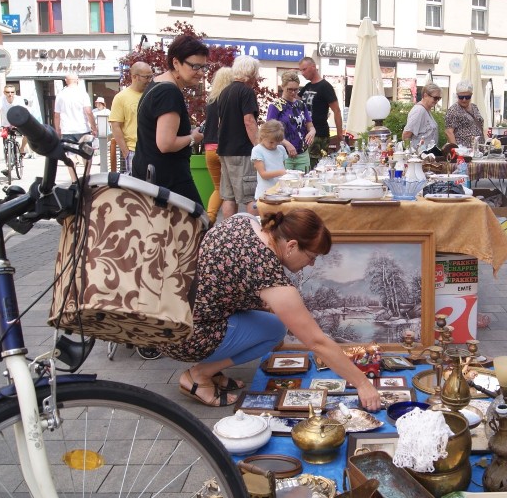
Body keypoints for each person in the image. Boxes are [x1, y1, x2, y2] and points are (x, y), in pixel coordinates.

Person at [162, 209, 382, 411]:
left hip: (170, 315)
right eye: (312, 257)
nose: (312, 264)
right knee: (275, 331)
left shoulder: (245, 220)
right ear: (292, 245)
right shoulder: (266, 270)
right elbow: (317, 342)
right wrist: (362, 384)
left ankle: (210, 368)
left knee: (270, 322)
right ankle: (198, 376)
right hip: (188, 336)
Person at [131, 35, 207, 204]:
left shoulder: (155, 85)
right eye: (195, 66)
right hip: (168, 181)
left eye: (203, 67)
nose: (201, 72)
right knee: (198, 226)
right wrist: (193, 137)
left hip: (152, 177)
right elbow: (165, 143)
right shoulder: (169, 92)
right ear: (176, 63)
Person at [218, 55, 261, 217]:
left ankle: (229, 233)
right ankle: (253, 234)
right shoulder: (246, 92)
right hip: (242, 150)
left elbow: (220, 122)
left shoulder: (224, 92)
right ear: (251, 73)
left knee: (228, 196)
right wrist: (258, 147)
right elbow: (249, 121)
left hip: (224, 149)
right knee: (250, 196)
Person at [266, 70, 315, 173]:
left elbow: (310, 125)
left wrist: (312, 132)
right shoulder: (275, 106)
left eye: (296, 90)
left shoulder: (301, 105)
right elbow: (269, 132)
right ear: (282, 87)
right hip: (284, 154)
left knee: (304, 183)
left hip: (302, 153)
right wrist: (286, 143)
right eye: (290, 89)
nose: (293, 93)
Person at [298, 56, 343, 169]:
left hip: (319, 134)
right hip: (305, 133)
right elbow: (293, 99)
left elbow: (336, 111)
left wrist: (339, 135)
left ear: (313, 67)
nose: (302, 73)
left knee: (314, 166)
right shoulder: (307, 86)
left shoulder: (325, 87)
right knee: (305, 165)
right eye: (301, 70)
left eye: (304, 69)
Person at [202, 66, 233, 222]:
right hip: (225, 149)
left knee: (218, 188)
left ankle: (210, 218)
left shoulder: (211, 101)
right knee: (230, 192)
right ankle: (231, 227)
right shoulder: (229, 99)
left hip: (209, 149)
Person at [109, 61, 153, 172]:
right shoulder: (121, 97)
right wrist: (126, 152)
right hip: (134, 150)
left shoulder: (152, 93)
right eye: (146, 77)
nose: (149, 80)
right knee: (137, 187)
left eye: (151, 77)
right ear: (134, 76)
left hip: (154, 149)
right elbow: (115, 126)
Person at [53, 73, 98, 149]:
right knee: (86, 153)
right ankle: (85, 161)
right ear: (77, 80)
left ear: (66, 81)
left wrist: (57, 129)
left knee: (70, 154)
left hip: (67, 130)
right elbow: (89, 112)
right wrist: (94, 128)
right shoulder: (83, 94)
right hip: (83, 129)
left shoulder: (60, 95)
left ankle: (74, 161)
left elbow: (57, 115)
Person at [0, 84, 30, 168]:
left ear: (15, 92)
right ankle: (8, 164)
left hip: (18, 123)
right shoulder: (0, 100)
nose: (10, 94)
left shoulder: (19, 99)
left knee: (27, 133)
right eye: (8, 92)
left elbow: (23, 111)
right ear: (4, 93)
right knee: (6, 144)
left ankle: (22, 148)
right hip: (6, 125)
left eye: (12, 92)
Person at [251, 120, 288, 200]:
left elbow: (282, 166)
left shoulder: (281, 149)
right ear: (263, 136)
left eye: (277, 142)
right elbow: (263, 174)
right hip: (265, 193)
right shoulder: (257, 150)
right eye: (271, 142)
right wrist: (281, 172)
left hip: (280, 192)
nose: (274, 146)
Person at [444, 80, 484, 147]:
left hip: (478, 149)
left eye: (467, 97)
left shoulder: (474, 107)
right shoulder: (453, 110)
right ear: (457, 96)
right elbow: (449, 132)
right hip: (463, 151)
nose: (464, 100)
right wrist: (456, 151)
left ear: (471, 95)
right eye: (461, 97)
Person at [402, 82, 441, 148]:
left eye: (438, 98)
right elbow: (406, 134)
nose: (436, 101)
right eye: (435, 98)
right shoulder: (419, 110)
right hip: (419, 154)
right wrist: (408, 152)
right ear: (425, 95)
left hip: (427, 154)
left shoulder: (426, 110)